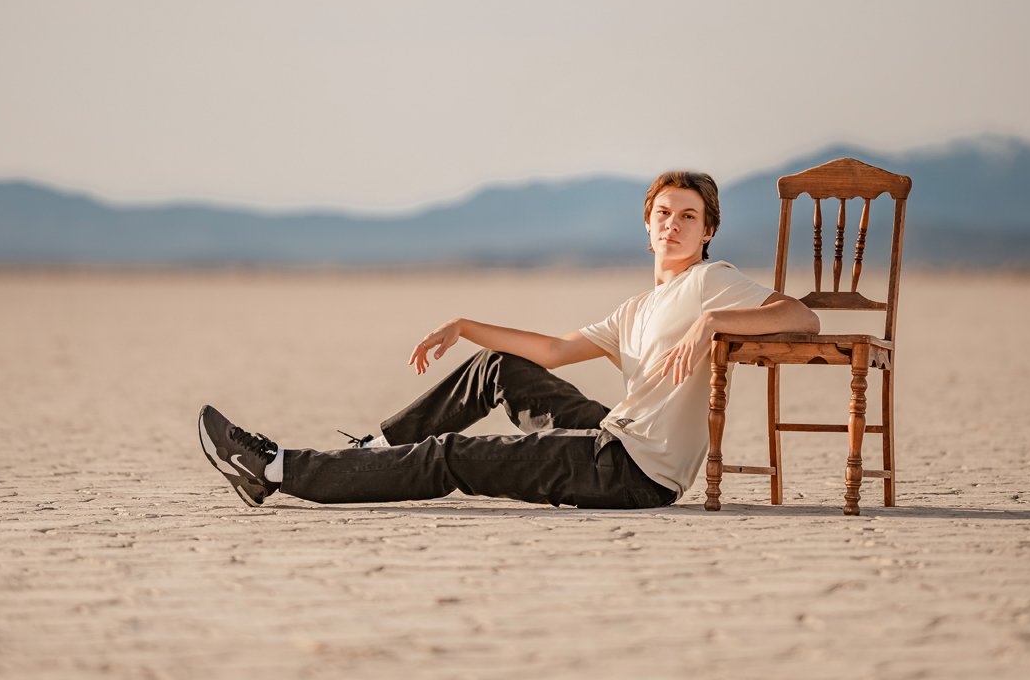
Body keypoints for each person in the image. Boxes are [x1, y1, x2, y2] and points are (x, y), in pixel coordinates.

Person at [197, 171, 819, 509]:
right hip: (614, 436)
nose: (673, 225)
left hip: (632, 473)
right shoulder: (637, 308)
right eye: (663, 214)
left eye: (688, 216)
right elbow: (549, 352)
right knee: (501, 364)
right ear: (646, 228)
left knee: (451, 457)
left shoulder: (714, 281)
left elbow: (801, 318)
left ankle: (275, 470)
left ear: (709, 230)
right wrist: (466, 325)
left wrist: (715, 323)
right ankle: (376, 445)